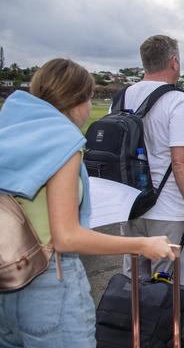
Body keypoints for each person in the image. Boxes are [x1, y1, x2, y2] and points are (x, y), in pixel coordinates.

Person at [0, 58, 174, 347]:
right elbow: (67, 237)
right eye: (90, 98)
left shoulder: (10, 136)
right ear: (78, 99)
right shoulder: (62, 141)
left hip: (8, 284)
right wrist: (142, 244)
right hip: (49, 287)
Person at [118, 35, 184, 285]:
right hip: (167, 209)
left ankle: (136, 325)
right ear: (174, 62)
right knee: (172, 290)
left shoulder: (121, 97)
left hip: (130, 206)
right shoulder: (177, 99)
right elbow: (181, 162)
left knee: (134, 286)